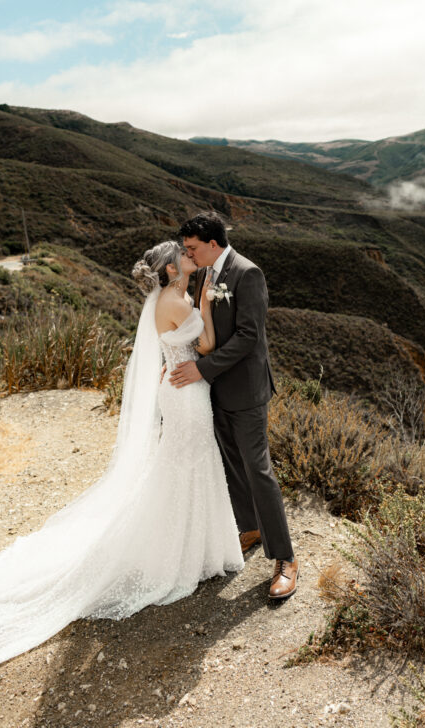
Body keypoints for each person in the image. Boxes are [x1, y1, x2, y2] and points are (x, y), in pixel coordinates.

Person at [0, 241, 243, 687]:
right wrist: (208, 304)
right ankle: (182, 555)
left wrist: (200, 301)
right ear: (172, 268)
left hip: (182, 390)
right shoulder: (176, 300)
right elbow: (206, 344)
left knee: (186, 463)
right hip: (186, 394)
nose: (193, 258)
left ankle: (197, 548)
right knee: (184, 464)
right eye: (186, 255)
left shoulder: (173, 297)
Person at [170, 212, 298, 600]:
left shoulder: (248, 273)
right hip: (214, 392)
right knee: (232, 466)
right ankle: (250, 529)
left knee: (259, 471)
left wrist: (201, 369)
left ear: (212, 243)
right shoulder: (207, 275)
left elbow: (248, 337)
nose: (187, 254)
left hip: (244, 391)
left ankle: (286, 559)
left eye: (192, 247)